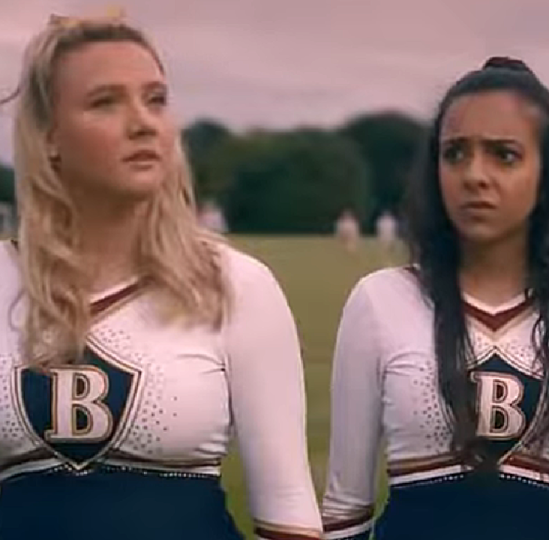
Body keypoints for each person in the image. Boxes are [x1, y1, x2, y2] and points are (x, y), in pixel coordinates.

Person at [0, 13, 322, 540]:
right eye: (105, 102)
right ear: (49, 137)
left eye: (155, 100)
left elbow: (287, 505)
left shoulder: (234, 285)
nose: (143, 123)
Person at [321, 57, 549, 540]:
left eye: (504, 155)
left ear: (548, 172)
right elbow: (346, 507)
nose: (474, 175)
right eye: (455, 153)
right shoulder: (381, 300)